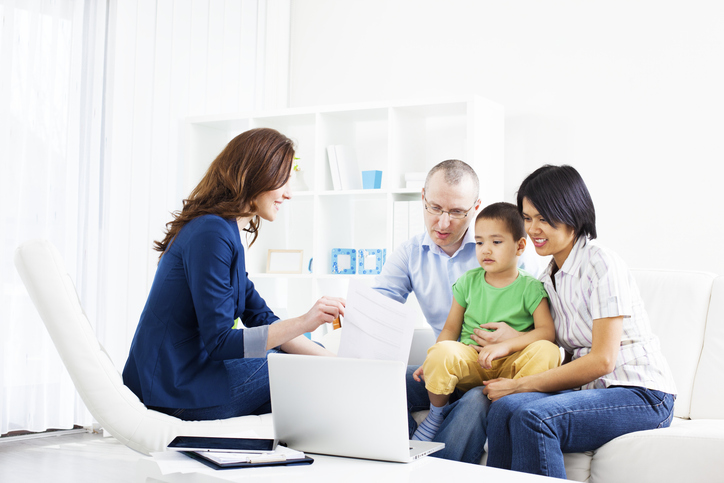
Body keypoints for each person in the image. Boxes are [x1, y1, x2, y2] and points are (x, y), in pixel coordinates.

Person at [122, 128, 345, 420]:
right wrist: (306, 321)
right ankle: (413, 395)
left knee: (312, 361)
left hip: (188, 378)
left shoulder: (225, 232)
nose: (289, 193)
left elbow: (263, 319)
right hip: (173, 389)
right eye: (283, 179)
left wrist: (342, 363)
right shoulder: (211, 232)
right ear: (256, 174)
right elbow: (220, 343)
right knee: (300, 369)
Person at [484, 164, 677, 479]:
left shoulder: (602, 264)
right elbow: (557, 344)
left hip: (642, 394)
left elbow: (602, 360)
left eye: (544, 218)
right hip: (593, 389)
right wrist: (513, 339)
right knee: (504, 409)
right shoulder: (548, 278)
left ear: (572, 213)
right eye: (528, 218)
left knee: (535, 416)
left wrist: (520, 384)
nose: (532, 229)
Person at [371, 159, 538, 463]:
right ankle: (400, 457)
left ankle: (434, 474)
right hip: (450, 363)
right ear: (422, 198)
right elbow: (379, 308)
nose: (443, 223)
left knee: (476, 400)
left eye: (457, 212)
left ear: (475, 207)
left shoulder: (502, 251)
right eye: (434, 208)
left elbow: (546, 325)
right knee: (381, 382)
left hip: (495, 368)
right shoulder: (410, 253)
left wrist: (516, 337)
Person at [411, 202, 560, 442]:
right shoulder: (468, 282)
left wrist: (506, 346)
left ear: (520, 246)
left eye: (496, 242)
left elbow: (547, 332)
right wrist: (433, 359)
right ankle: (437, 414)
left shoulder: (531, 287)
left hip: (513, 366)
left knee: (547, 350)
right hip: (473, 359)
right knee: (442, 352)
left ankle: (509, 401)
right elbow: (450, 328)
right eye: (480, 242)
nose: (486, 250)